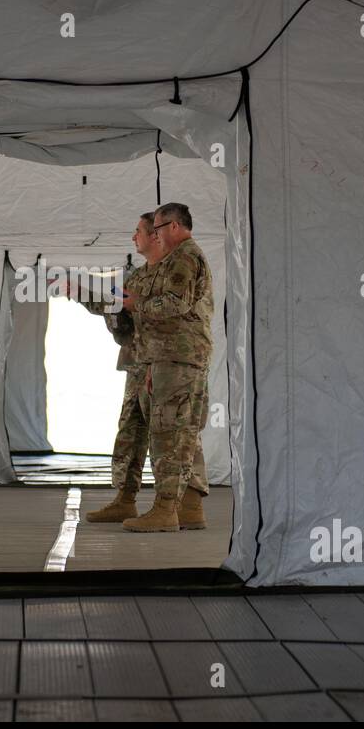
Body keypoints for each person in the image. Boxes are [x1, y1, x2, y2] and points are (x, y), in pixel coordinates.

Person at [120, 201, 213, 532]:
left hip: (179, 357)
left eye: (157, 229)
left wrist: (137, 304)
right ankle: (187, 508)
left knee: (169, 435)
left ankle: (165, 511)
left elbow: (176, 303)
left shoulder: (186, 257)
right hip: (169, 356)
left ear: (174, 226)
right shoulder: (180, 257)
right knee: (181, 434)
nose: (154, 235)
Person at [74, 213, 162, 522]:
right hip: (137, 367)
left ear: (156, 236)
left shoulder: (170, 273)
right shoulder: (138, 277)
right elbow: (115, 305)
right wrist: (80, 292)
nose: (133, 237)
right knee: (130, 432)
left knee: (169, 435)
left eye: (138, 231)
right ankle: (125, 499)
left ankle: (180, 505)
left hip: (164, 368)